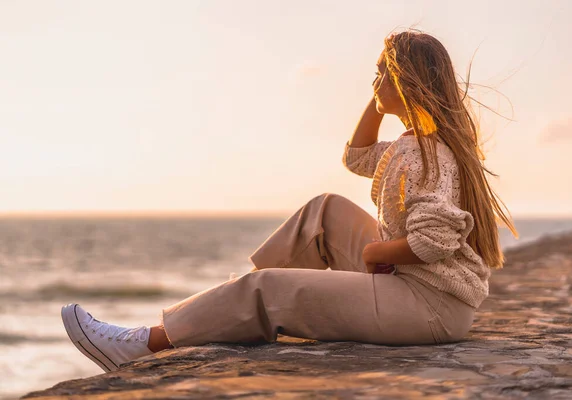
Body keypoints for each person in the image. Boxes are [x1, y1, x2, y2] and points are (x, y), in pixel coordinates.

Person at [61, 30, 518, 373]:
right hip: (425, 289)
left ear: (407, 81)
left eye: (383, 72)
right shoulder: (413, 143)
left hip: (428, 306)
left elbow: (433, 241)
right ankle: (232, 310)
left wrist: (376, 251)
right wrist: (379, 99)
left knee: (271, 290)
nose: (374, 79)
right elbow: (356, 157)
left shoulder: (427, 154)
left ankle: (147, 344)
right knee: (325, 211)